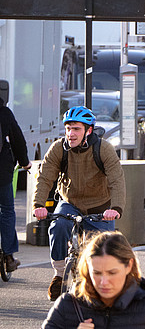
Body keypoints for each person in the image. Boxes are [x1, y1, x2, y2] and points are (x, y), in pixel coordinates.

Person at [33, 106, 126, 301]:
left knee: (102, 253)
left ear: (88, 130)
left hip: (100, 207)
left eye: (76, 129)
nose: (71, 134)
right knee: (58, 227)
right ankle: (59, 274)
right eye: (68, 128)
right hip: (70, 202)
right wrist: (38, 204)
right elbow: (45, 178)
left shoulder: (104, 148)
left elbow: (116, 180)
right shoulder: (59, 148)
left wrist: (115, 208)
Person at [42, 231, 145, 328]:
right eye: (96, 273)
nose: (103, 282)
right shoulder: (68, 305)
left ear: (129, 266)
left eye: (112, 273)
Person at [0, 94, 31, 272]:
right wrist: (25, 162)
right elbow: (18, 140)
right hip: (2, 172)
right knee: (6, 210)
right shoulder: (5, 113)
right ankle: (9, 256)